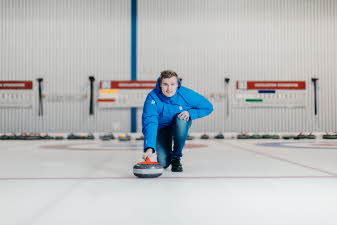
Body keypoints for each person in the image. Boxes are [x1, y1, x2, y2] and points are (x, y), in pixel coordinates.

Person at [142, 70, 213, 172]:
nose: (169, 88)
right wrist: (149, 148)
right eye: (165, 84)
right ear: (160, 85)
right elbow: (150, 122)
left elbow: (208, 107)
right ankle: (167, 155)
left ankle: (176, 158)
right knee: (163, 163)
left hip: (179, 124)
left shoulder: (186, 94)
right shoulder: (152, 97)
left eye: (172, 84)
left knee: (181, 120)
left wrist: (190, 113)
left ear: (177, 84)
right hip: (161, 129)